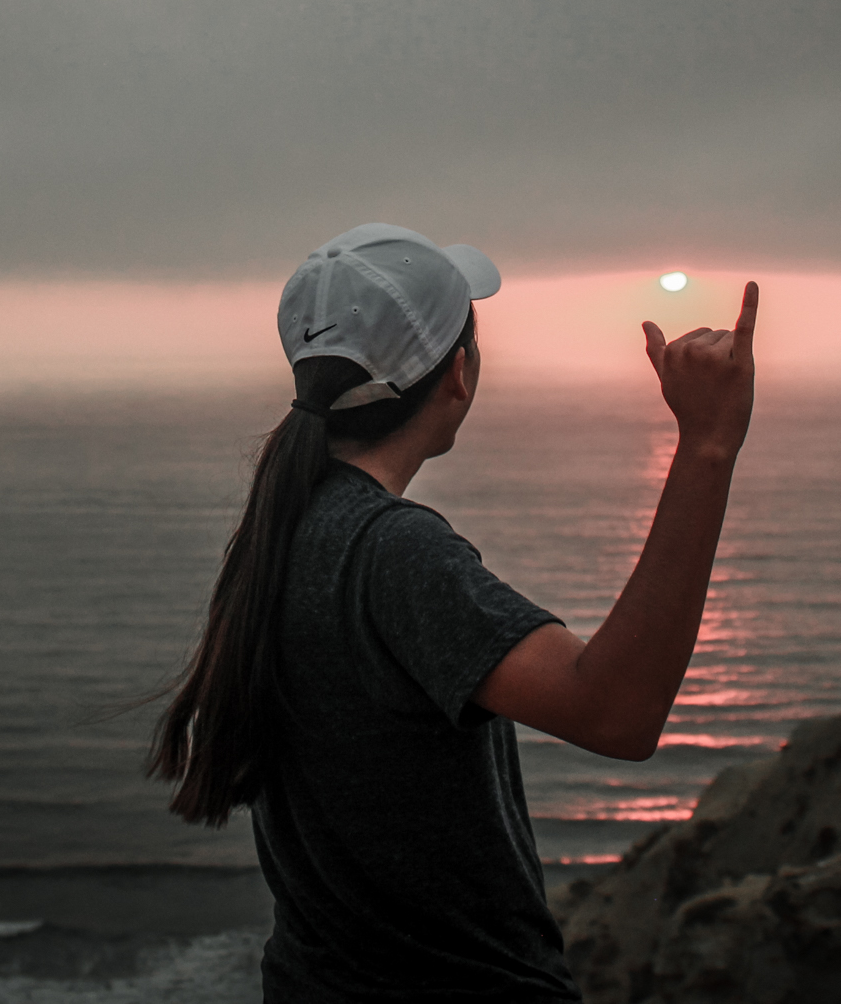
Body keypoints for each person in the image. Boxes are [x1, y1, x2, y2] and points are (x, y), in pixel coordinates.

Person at [149, 223, 757, 1000]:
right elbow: (617, 711)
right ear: (458, 375)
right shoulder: (392, 551)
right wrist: (707, 445)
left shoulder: (283, 529)